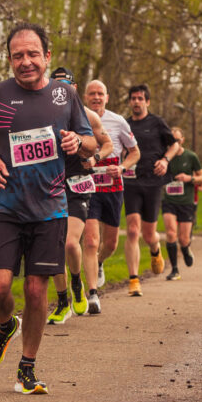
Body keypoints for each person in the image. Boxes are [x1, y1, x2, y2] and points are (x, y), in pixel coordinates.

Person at [0, 22, 97, 395]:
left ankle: (27, 368)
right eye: (18, 55)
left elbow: (90, 142)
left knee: (37, 292)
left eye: (33, 54)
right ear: (9, 59)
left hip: (51, 207)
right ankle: (7, 324)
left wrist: (76, 142)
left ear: (47, 57)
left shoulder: (65, 96)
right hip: (6, 204)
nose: (26, 62)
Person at [46, 68, 112, 325]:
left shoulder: (88, 115)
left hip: (77, 185)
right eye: (56, 85)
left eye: (66, 85)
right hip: (49, 185)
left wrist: (95, 158)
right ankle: (63, 302)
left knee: (70, 243)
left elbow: (107, 144)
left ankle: (76, 282)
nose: (62, 90)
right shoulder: (43, 116)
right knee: (53, 247)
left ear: (73, 88)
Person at [81, 79, 140, 314]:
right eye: (92, 93)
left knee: (110, 243)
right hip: (87, 184)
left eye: (100, 93)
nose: (96, 97)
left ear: (107, 97)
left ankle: (100, 261)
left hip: (113, 184)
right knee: (91, 241)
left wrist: (123, 168)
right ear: (85, 97)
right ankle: (93, 294)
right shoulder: (78, 119)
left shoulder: (118, 121)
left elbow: (135, 152)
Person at [122, 84, 179, 296]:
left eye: (140, 98)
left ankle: (155, 249)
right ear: (129, 102)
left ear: (147, 101)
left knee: (148, 234)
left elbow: (174, 146)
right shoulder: (124, 124)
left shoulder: (157, 123)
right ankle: (134, 280)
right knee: (133, 230)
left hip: (153, 182)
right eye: (133, 98)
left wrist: (165, 160)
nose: (136, 102)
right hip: (131, 182)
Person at [161, 127, 202, 281]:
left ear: (183, 140)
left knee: (184, 239)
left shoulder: (191, 156)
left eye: (178, 140)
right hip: (169, 201)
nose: (176, 144)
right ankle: (174, 269)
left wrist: (189, 178)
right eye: (173, 141)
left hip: (186, 202)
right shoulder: (164, 157)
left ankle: (186, 250)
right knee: (171, 233)